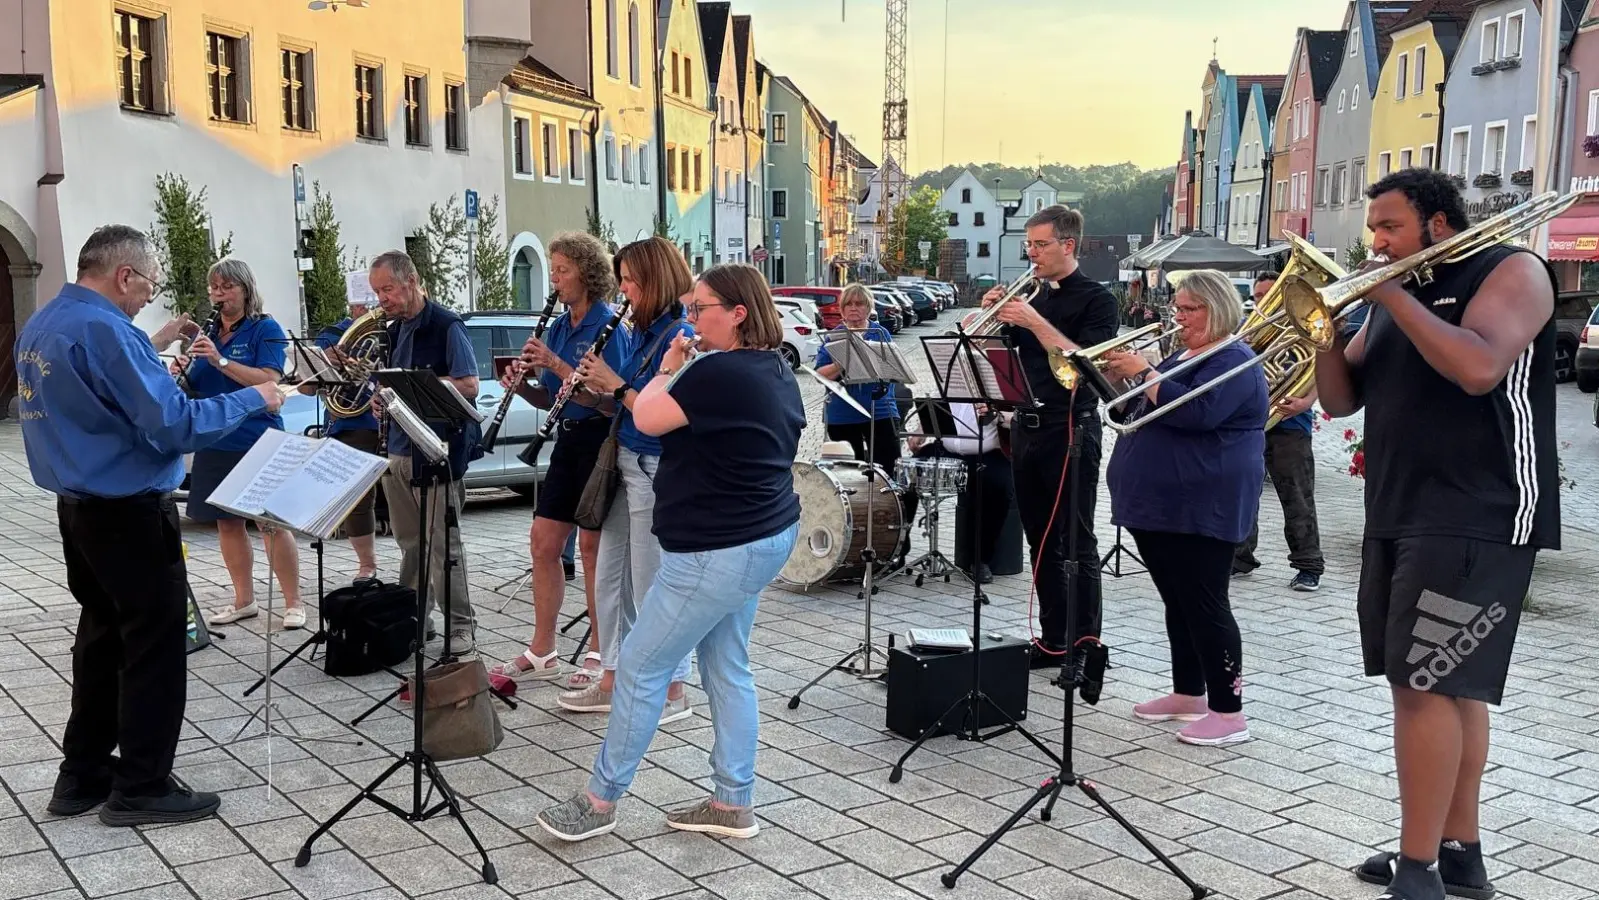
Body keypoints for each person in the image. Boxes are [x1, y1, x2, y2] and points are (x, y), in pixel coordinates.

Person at [1319, 169, 1559, 900]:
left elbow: (1479, 366)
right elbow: (1337, 398)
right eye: (1373, 229)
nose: (1375, 241)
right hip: (1399, 505)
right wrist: (1323, 330)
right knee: (1449, 687)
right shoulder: (1399, 296)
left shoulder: (1511, 270)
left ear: (1438, 223)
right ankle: (1456, 851)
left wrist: (1386, 291)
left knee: (1421, 684)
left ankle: (1417, 867)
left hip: (1478, 507)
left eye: (1389, 227)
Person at [18, 225, 282, 825]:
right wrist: (258, 397)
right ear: (124, 276)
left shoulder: (44, 321)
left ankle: (81, 773)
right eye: (149, 285)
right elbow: (174, 426)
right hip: (128, 511)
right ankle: (142, 784)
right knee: (154, 646)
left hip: (78, 508)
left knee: (102, 638)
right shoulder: (107, 331)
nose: (148, 298)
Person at [536, 263, 803, 843]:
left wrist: (662, 368)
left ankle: (599, 802)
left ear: (737, 313)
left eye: (700, 308)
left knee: (639, 665)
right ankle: (733, 803)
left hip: (716, 550)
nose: (690, 319)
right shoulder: (772, 366)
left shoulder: (718, 372)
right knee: (727, 666)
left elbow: (650, 417)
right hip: (763, 537)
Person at [1101, 269, 1267, 747]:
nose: (1178, 315)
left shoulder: (1234, 359)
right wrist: (1117, 380)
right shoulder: (1186, 353)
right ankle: (1189, 692)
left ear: (1215, 310)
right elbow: (1141, 410)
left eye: (1188, 308)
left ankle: (1230, 712)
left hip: (1202, 503)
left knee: (1206, 602)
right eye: (1178, 306)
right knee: (1178, 600)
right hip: (1160, 504)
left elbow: (1197, 412)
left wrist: (1146, 372)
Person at [562, 236, 697, 718]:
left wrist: (613, 384)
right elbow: (620, 403)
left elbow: (659, 411)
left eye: (630, 282)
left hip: (655, 465)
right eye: (621, 281)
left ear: (655, 281)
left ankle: (673, 687)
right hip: (624, 459)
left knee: (651, 583)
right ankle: (613, 677)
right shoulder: (639, 330)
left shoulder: (679, 335)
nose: (624, 291)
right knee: (609, 576)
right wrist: (590, 390)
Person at [981, 205, 1119, 669]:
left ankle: (1086, 644)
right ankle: (1053, 637)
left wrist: (1031, 321)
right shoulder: (1033, 299)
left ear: (1068, 245)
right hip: (1027, 428)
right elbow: (1009, 366)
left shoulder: (1098, 300)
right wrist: (995, 322)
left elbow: (1085, 363)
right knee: (1039, 538)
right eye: (1029, 245)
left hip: (1071, 428)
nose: (1032, 254)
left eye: (1040, 245)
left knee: (1075, 539)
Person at [493, 232, 629, 686]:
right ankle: (543, 647)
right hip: (567, 441)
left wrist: (553, 363)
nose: (555, 280)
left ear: (587, 274)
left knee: (592, 551)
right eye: (552, 270)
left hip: (599, 441)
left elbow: (608, 400)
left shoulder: (609, 324)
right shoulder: (559, 325)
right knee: (542, 542)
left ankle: (598, 649)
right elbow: (553, 397)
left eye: (563, 270)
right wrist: (521, 384)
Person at [175, 259, 304, 630]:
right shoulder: (211, 332)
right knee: (227, 524)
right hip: (215, 438)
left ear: (245, 289)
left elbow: (269, 380)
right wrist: (181, 370)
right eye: (214, 287)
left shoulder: (265, 328)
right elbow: (198, 383)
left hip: (257, 437)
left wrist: (220, 359)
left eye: (227, 287)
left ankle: (293, 603)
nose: (219, 294)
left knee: (271, 524)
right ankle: (244, 600)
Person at [370, 250, 482, 654]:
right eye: (377, 291)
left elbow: (470, 385)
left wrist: (421, 389)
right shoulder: (393, 330)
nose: (381, 298)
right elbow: (389, 386)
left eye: (387, 289)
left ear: (411, 281)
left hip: (434, 451)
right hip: (398, 452)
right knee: (410, 545)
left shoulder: (447, 325)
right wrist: (380, 400)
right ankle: (417, 620)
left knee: (443, 545)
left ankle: (461, 626)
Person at [1232, 272, 1325, 591]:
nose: (1265, 302)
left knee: (1297, 495)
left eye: (1271, 295)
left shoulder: (1306, 327)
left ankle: (1309, 565)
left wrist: (1306, 402)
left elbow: (1321, 369)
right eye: (1259, 297)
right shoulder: (1247, 330)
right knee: (1244, 494)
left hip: (1290, 424)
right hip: (1249, 424)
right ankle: (1240, 557)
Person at [304, 295, 384, 580]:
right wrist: (327, 361)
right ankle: (367, 565)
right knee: (357, 499)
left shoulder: (396, 329)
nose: (366, 311)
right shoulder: (334, 335)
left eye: (371, 304)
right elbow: (307, 388)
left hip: (392, 420)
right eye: (360, 305)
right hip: (352, 422)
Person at [815, 284, 901, 474]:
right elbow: (820, 375)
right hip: (842, 413)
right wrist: (842, 362)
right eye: (848, 304)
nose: (853, 308)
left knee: (887, 469)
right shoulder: (834, 336)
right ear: (842, 309)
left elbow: (892, 370)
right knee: (848, 474)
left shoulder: (879, 333)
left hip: (879, 411)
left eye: (859, 304)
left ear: (869, 308)